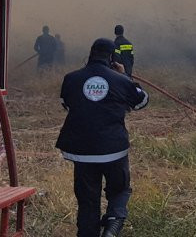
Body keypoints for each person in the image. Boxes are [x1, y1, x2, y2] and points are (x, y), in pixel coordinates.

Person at [57, 38, 150, 237]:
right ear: (111, 57)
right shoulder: (121, 79)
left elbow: (66, 104)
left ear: (90, 53)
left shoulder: (71, 78)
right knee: (120, 190)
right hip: (113, 149)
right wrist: (125, 76)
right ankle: (113, 224)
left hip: (82, 151)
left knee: (87, 202)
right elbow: (142, 101)